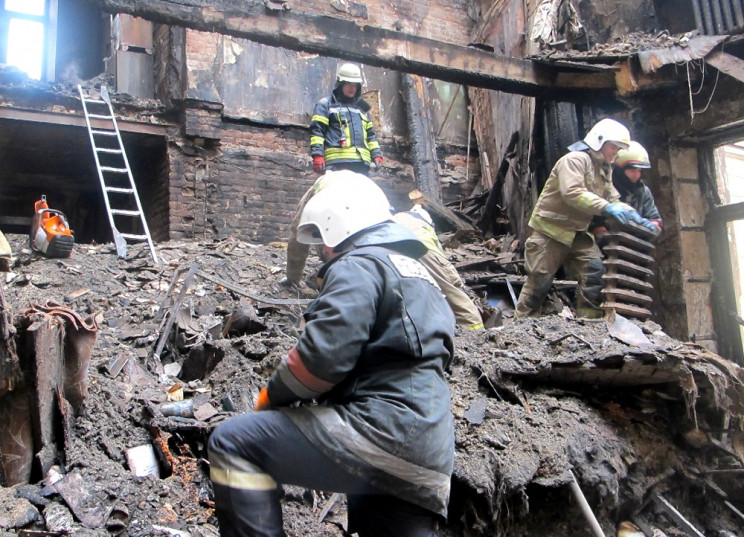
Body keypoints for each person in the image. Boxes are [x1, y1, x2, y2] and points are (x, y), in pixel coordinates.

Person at [209, 175, 456, 537]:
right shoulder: (418, 274)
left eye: (324, 241)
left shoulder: (358, 264)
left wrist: (271, 397)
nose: (323, 250)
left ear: (340, 223)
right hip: (430, 450)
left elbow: (323, 358)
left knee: (234, 443)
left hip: (381, 429)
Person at [515, 118, 657, 318]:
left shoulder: (604, 169)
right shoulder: (574, 160)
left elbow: (612, 196)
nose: (616, 152)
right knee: (540, 283)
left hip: (578, 233)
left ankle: (588, 324)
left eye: (619, 149)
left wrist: (632, 214)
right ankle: (520, 329)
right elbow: (572, 193)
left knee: (595, 272)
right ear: (599, 141)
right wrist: (607, 207)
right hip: (551, 231)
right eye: (614, 147)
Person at [583, 141, 662, 306]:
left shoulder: (642, 191)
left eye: (639, 171)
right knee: (597, 275)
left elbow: (655, 219)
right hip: (603, 248)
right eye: (632, 170)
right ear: (619, 168)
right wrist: (604, 235)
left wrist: (650, 226)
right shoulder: (606, 185)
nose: (637, 175)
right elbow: (592, 217)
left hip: (634, 250)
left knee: (634, 288)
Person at [393, 203, 484, 330]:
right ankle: (476, 330)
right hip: (423, 250)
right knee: (453, 293)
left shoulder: (396, 218)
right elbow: (438, 254)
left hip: (394, 254)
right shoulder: (422, 221)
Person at [309, 62, 383, 176]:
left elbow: (371, 135)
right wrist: (318, 155)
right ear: (340, 84)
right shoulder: (325, 105)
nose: (352, 88)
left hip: (361, 164)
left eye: (355, 85)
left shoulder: (362, 108)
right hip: (336, 164)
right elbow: (317, 132)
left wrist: (376, 154)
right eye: (348, 84)